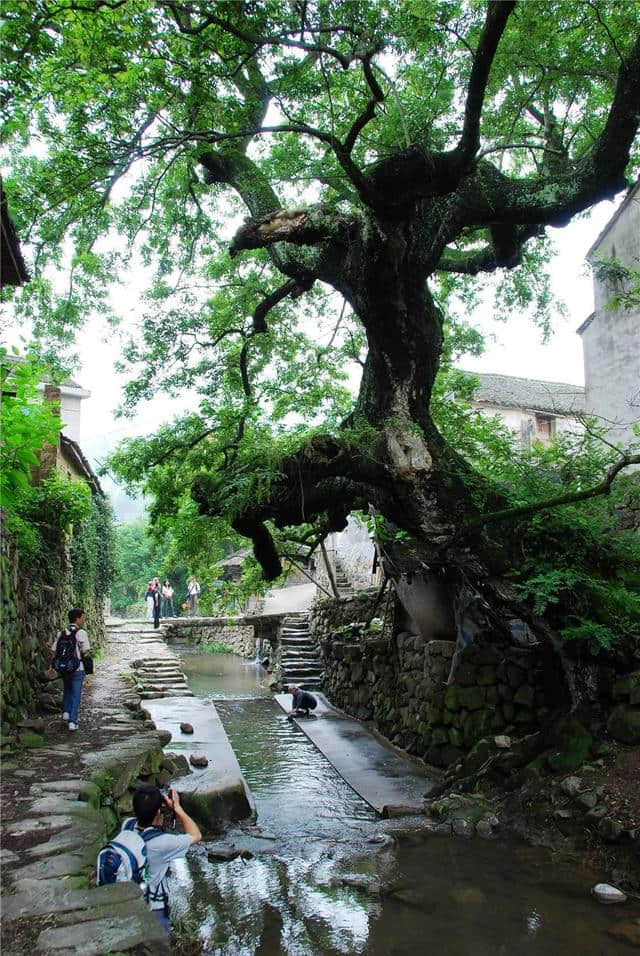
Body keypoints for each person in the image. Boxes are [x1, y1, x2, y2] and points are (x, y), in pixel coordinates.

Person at [125, 785, 201, 934]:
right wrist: (177, 808)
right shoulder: (162, 843)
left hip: (129, 898)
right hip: (153, 907)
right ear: (159, 811)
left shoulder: (127, 826)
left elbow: (143, 819)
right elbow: (196, 835)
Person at [50, 607, 91, 732]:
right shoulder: (81, 633)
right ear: (77, 618)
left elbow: (53, 650)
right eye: (82, 617)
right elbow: (86, 651)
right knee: (76, 694)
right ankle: (73, 721)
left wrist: (52, 665)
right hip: (77, 668)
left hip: (64, 667)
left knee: (67, 689)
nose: (83, 620)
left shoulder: (62, 632)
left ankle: (66, 713)